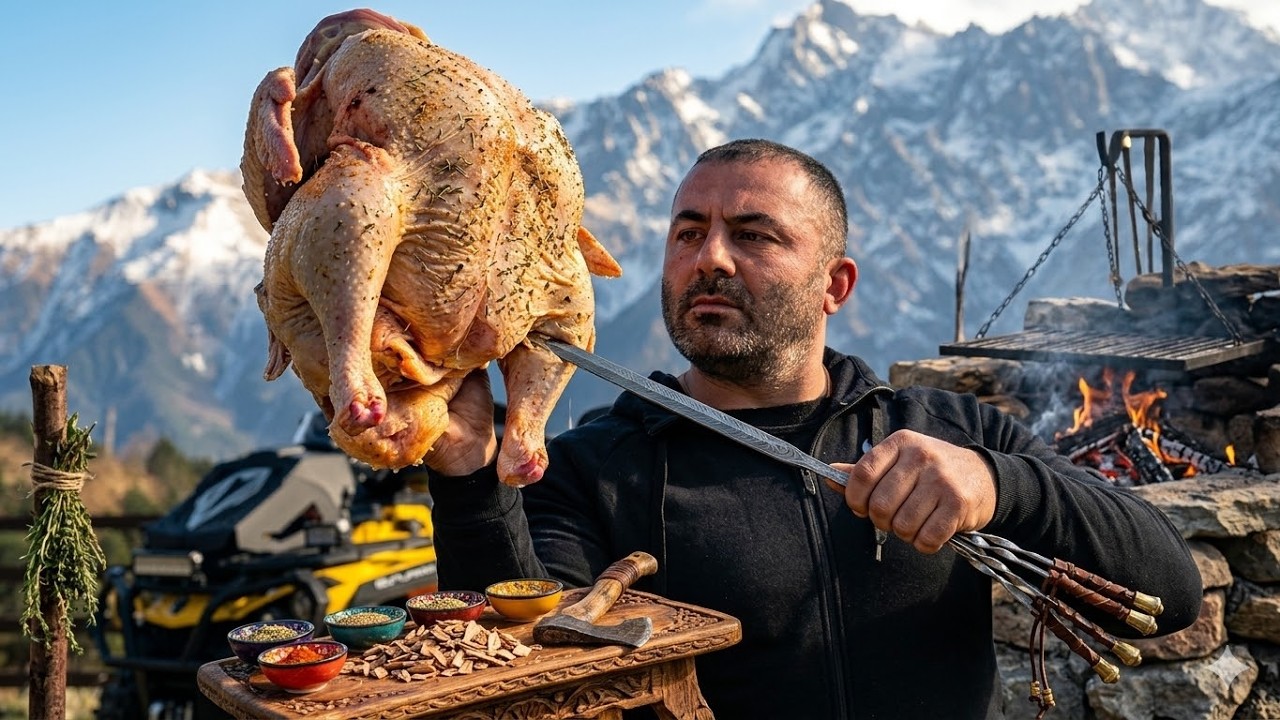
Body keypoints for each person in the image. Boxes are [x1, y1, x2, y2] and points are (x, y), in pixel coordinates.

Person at [420, 139, 1202, 719]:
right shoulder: (594, 465)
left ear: (836, 284)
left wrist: (1001, 486)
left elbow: (1169, 594)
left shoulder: (948, 431)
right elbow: (523, 670)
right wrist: (465, 476)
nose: (710, 258)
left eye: (754, 235)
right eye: (687, 232)